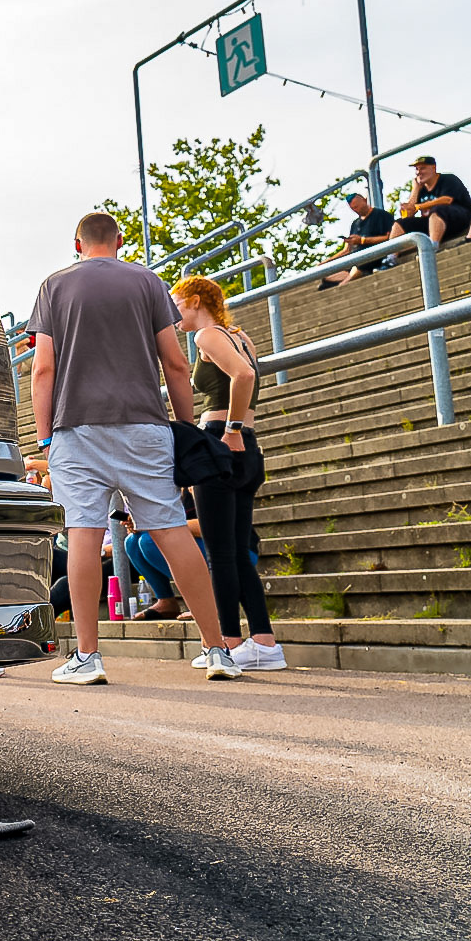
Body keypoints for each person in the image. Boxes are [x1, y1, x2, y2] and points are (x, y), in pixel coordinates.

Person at [28, 212, 240, 684]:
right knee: (171, 530)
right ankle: (218, 649)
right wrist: (184, 428)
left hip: (76, 430)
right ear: (120, 241)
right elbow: (176, 364)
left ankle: (88, 657)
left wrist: (45, 437)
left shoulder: (53, 286)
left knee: (83, 535)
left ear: (77, 244)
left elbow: (43, 369)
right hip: (145, 426)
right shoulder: (148, 282)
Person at [172, 276, 285, 671]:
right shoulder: (240, 336)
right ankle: (264, 643)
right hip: (246, 446)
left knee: (219, 553)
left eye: (176, 304)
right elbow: (247, 375)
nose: (173, 314)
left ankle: (229, 643)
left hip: (223, 440)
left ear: (195, 301)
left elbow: (245, 376)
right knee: (236, 552)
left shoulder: (207, 336)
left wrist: (231, 429)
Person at [390, 156, 471, 253]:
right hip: (434, 225)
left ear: (433, 168)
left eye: (422, 168)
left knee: (437, 210)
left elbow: (447, 200)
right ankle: (391, 257)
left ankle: (432, 248)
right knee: (400, 223)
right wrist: (415, 189)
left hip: (461, 219)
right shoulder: (421, 189)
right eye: (417, 169)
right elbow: (409, 213)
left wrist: (419, 206)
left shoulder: (449, 179)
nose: (418, 172)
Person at [318, 191, 395, 288]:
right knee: (326, 279)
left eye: (357, 206)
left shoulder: (381, 215)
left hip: (374, 255)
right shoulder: (355, 224)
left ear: (364, 200)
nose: (356, 210)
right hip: (354, 259)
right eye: (353, 208)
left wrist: (362, 240)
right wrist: (327, 261)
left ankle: (345, 283)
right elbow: (346, 250)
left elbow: (390, 237)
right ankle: (350, 277)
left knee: (360, 265)